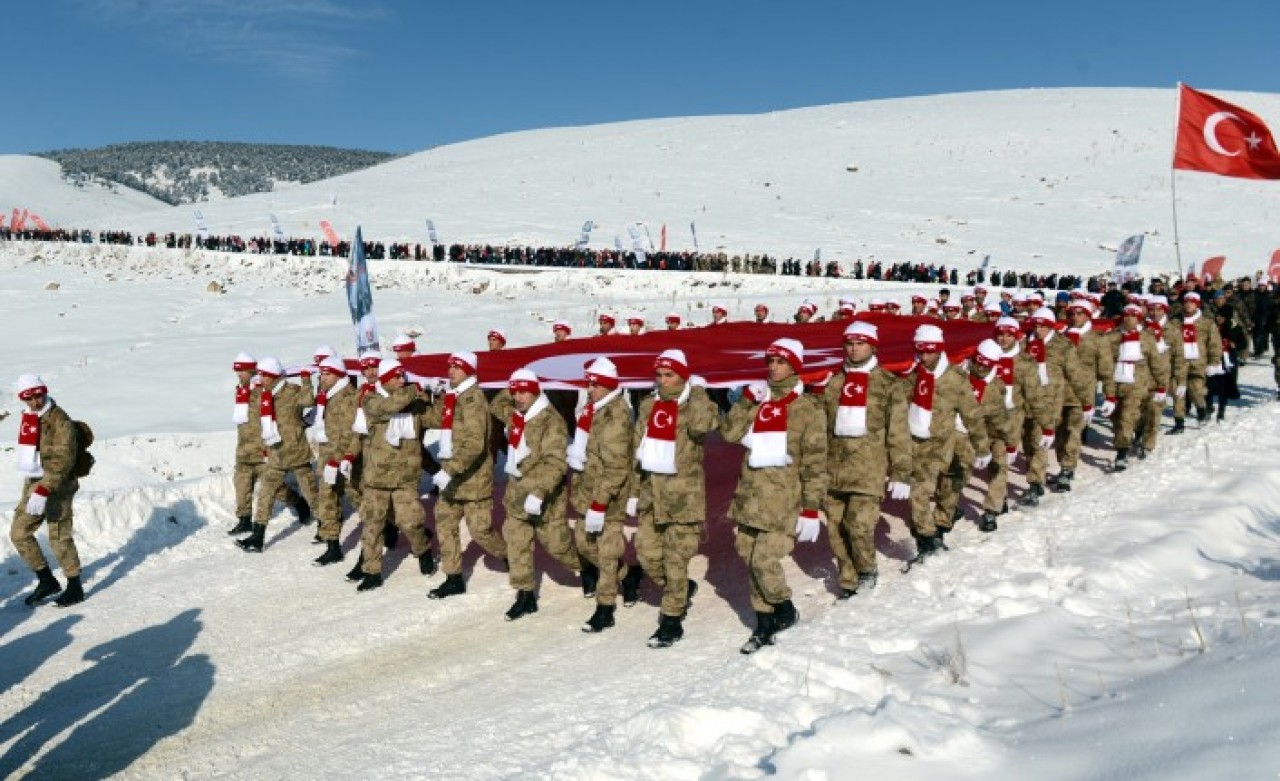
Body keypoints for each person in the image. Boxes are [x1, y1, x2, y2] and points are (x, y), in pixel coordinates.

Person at [722, 339, 827, 653]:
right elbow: (728, 434)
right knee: (750, 558)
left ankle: (783, 608)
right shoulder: (757, 400)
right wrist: (744, 403)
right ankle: (764, 622)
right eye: (770, 361)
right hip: (750, 496)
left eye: (780, 362)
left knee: (763, 559)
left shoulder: (807, 409)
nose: (772, 367)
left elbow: (815, 462)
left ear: (795, 366)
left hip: (784, 500)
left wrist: (810, 508)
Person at [629, 349, 720, 648]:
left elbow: (702, 426)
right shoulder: (647, 406)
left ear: (683, 376)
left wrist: (698, 394)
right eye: (659, 375)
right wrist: (632, 491)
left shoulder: (696, 405)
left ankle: (672, 619)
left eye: (670, 375)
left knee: (676, 559)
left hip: (683, 497)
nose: (663, 381)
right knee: (646, 553)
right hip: (650, 494)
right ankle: (680, 589)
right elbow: (636, 450)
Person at [821, 322, 910, 598]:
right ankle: (848, 580)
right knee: (836, 530)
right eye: (849, 343)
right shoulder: (834, 383)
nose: (854, 348)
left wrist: (901, 471)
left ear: (873, 346)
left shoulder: (887, 384)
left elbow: (898, 431)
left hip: (869, 469)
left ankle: (867, 570)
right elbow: (820, 428)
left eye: (860, 343)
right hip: (833, 469)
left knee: (858, 525)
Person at [490, 368, 582, 621]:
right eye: (515, 392)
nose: (518, 397)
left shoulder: (551, 420)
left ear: (536, 392)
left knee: (558, 546)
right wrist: (508, 378)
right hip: (517, 493)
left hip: (545, 497)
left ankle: (599, 570)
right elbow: (496, 404)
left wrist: (539, 493)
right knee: (516, 544)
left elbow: (555, 462)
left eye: (524, 392)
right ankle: (525, 594)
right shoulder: (516, 415)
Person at [424, 351, 509, 599]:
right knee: (445, 524)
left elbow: (474, 445)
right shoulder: (453, 398)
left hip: (473, 479)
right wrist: (423, 401)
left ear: (469, 371)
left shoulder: (473, 401)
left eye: (456, 368)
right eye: (449, 367)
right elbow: (433, 419)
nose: (450, 372)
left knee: (479, 531)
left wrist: (448, 470)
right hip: (452, 478)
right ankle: (453, 578)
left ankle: (510, 555)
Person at [903, 325, 989, 558]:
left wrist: (982, 448)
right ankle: (927, 537)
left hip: (946, 444)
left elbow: (972, 414)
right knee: (919, 491)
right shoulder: (912, 376)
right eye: (920, 351)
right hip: (917, 444)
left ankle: (942, 521)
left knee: (949, 488)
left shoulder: (955, 379)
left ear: (940, 351)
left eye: (929, 352)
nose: (924, 357)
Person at [351, 359, 436, 591]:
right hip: (376, 478)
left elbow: (436, 419)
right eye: (396, 377)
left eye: (403, 377)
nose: (402, 380)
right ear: (385, 379)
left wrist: (436, 394)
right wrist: (415, 389)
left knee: (410, 523)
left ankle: (423, 549)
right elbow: (388, 408)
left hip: (405, 477)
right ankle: (372, 572)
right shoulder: (371, 399)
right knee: (372, 526)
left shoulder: (414, 402)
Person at [567, 358, 636, 633]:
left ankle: (605, 607)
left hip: (608, 497)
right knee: (585, 545)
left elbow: (617, 466)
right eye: (589, 382)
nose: (589, 387)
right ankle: (628, 575)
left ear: (607, 385)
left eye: (594, 383)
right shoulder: (592, 409)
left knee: (606, 552)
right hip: (588, 491)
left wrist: (600, 503)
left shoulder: (616, 415)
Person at [11, 374, 86, 607]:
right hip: (35, 482)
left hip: (59, 485)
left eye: (38, 395)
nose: (34, 401)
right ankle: (47, 581)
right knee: (19, 533)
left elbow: (63, 460)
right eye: (28, 398)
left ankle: (75, 586)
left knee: (59, 536)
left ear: (44, 391)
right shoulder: (31, 417)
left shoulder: (59, 420)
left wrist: (44, 489)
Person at [238, 357, 318, 552]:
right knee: (266, 492)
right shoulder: (264, 394)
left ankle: (328, 525)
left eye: (264, 375)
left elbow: (308, 401)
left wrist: (306, 380)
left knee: (311, 492)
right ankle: (258, 536)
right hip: (276, 452)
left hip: (296, 451)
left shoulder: (291, 391)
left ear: (273, 376)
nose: (261, 378)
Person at [1052, 300, 1112, 492]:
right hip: (1059, 393)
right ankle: (1063, 464)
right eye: (1072, 314)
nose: (1075, 317)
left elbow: (1106, 369)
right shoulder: (1060, 337)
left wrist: (1110, 395)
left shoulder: (1097, 339)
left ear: (1087, 315)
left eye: (1079, 313)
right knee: (1059, 435)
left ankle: (1067, 469)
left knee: (1073, 431)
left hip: (1082, 394)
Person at [310, 356, 362, 566]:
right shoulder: (326, 396)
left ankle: (393, 530)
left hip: (345, 460)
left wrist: (339, 460)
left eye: (327, 373)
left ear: (339, 374)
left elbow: (350, 434)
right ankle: (333, 547)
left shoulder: (349, 397)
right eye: (321, 373)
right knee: (327, 502)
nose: (323, 377)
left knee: (362, 501)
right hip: (327, 458)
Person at [1106, 304, 1160, 471]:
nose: (1129, 319)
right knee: (1116, 417)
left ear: (1139, 318)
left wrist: (1161, 385)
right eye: (1126, 315)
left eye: (1133, 316)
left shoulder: (1147, 338)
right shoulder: (1112, 337)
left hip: (1137, 384)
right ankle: (1130, 437)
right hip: (1115, 383)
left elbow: (1156, 363)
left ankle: (1121, 454)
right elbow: (1104, 361)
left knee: (1127, 417)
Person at [1170, 292, 1223, 432]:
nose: (1188, 305)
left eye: (1192, 302)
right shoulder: (1175, 322)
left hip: (1198, 362)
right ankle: (1179, 422)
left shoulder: (1206, 322)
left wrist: (1214, 362)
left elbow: (1214, 344)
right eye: (1186, 302)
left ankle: (1201, 410)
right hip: (1179, 362)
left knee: (1196, 390)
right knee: (1178, 391)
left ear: (1197, 304)